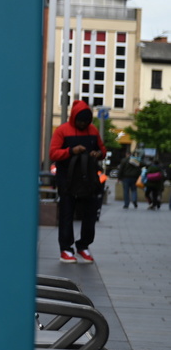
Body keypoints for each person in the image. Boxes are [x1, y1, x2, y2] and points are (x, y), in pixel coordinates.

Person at [49, 100, 105, 263]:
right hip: (67, 179)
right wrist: (71, 151)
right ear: (74, 118)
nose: (83, 124)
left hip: (88, 178)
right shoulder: (62, 131)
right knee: (67, 213)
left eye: (86, 122)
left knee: (90, 213)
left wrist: (98, 154)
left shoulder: (92, 130)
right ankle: (66, 248)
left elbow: (102, 150)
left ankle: (83, 245)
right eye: (80, 121)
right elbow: (53, 153)